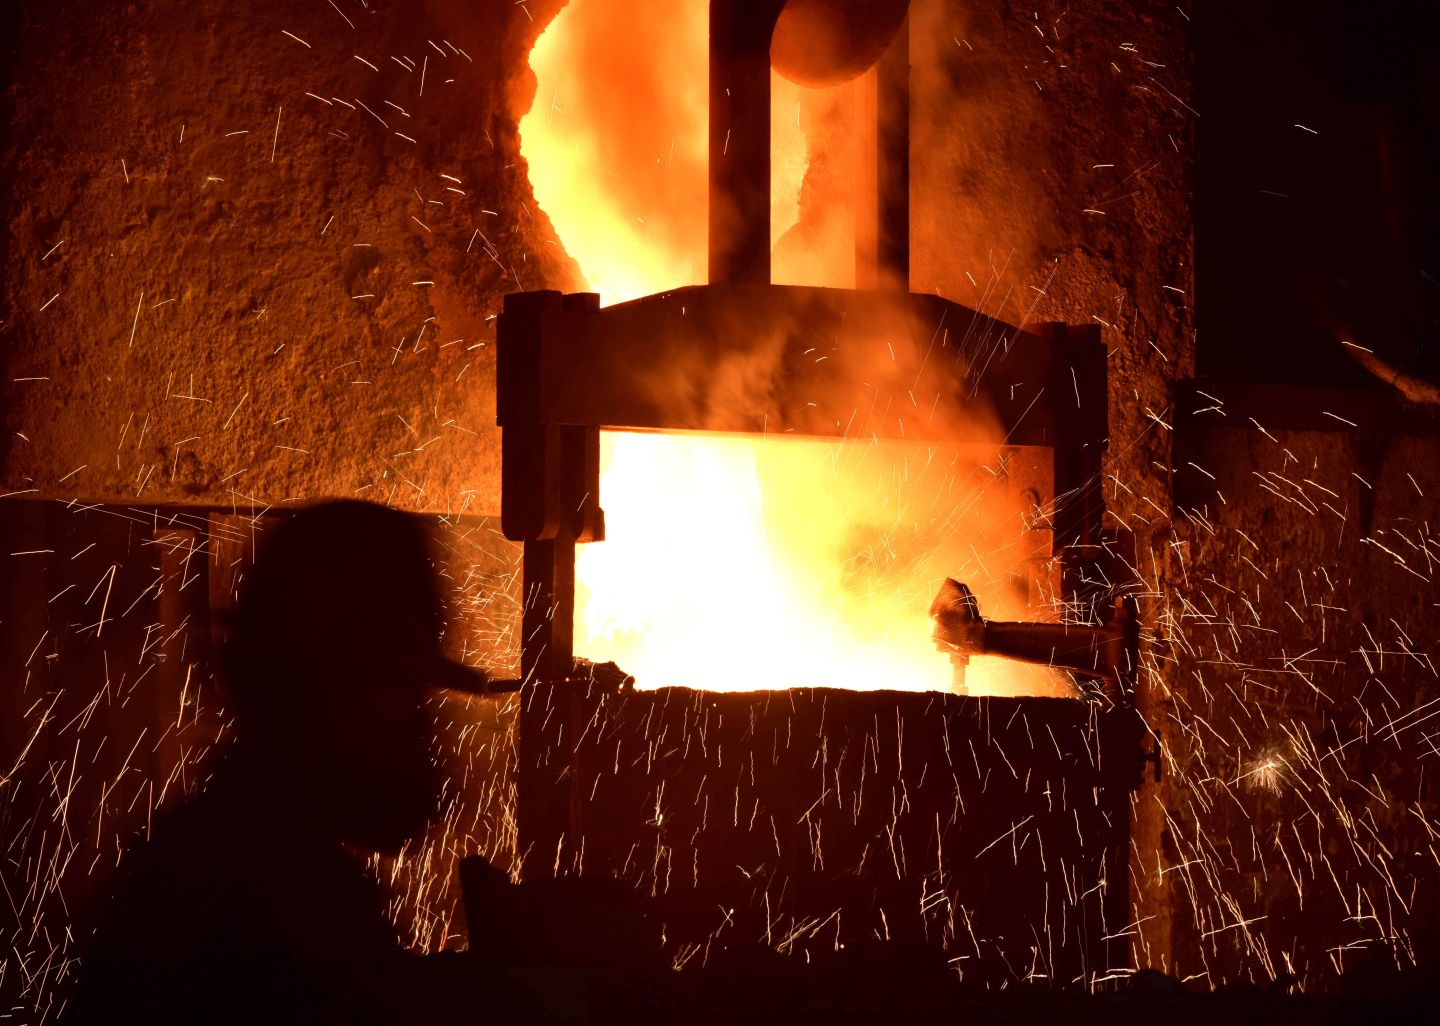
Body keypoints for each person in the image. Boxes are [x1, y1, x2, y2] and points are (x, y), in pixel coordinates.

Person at [65, 500, 529, 1026]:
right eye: (408, 692)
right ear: (328, 692)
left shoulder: (209, 859)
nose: (425, 730)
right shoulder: (284, 905)